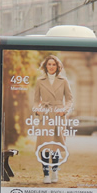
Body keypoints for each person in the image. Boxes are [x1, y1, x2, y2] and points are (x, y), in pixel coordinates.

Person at [32, 54, 73, 184]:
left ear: (57, 66)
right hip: (45, 115)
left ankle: (55, 171)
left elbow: (70, 99)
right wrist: (37, 110)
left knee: (55, 145)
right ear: (45, 66)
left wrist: (64, 110)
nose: (51, 67)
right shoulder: (39, 81)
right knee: (45, 146)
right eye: (49, 64)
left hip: (58, 115)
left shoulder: (64, 81)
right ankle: (46, 173)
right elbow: (35, 101)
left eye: (53, 64)